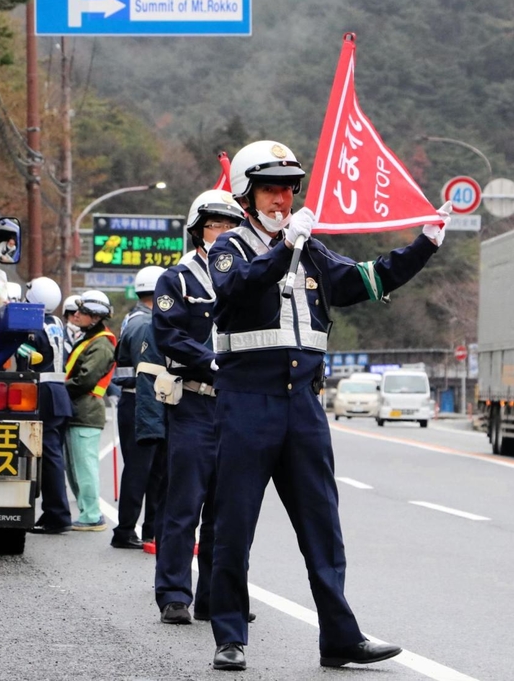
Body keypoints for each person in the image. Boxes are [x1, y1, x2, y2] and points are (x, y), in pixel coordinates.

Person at [206, 140, 449, 671]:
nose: (282, 198)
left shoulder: (312, 249)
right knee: (234, 522)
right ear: (247, 193)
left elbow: (367, 279)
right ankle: (229, 634)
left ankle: (340, 636)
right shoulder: (230, 246)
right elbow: (235, 289)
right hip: (247, 402)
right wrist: (282, 250)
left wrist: (424, 245)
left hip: (303, 407)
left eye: (289, 188)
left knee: (322, 525)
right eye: (271, 188)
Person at [151, 190, 248, 625]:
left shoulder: (249, 278)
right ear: (197, 231)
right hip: (193, 400)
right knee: (184, 504)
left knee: (229, 510)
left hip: (238, 406)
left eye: (230, 227)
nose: (222, 234)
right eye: (214, 226)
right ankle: (174, 594)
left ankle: (217, 599)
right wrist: (208, 359)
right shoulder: (178, 279)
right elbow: (168, 334)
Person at [111, 265, 167, 549]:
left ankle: (149, 530)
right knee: (142, 469)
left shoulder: (134, 318)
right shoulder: (147, 324)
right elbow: (148, 371)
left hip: (135, 400)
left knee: (152, 467)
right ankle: (125, 531)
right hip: (142, 400)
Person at [23, 277, 75, 535]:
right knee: (53, 454)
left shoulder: (31, 325)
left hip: (42, 390)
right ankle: (54, 511)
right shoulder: (57, 323)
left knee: (50, 455)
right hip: (59, 390)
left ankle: (57, 514)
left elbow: (22, 356)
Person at [63, 290, 117, 532]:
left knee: (84, 466)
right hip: (78, 410)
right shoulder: (90, 339)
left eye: (82, 312)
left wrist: (59, 389)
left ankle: (92, 515)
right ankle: (87, 513)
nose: (77, 315)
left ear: (95, 317)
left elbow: (85, 380)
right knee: (76, 467)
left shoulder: (102, 343)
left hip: (86, 411)